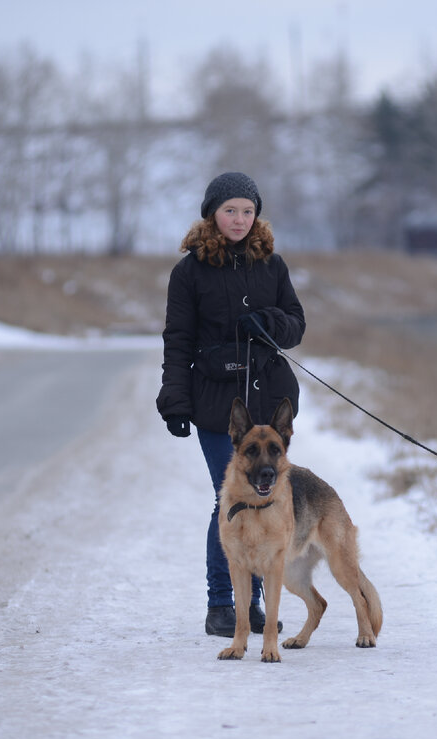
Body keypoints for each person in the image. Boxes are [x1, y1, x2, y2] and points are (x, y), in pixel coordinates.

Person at [156, 172, 306, 637]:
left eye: (247, 210)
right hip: (218, 405)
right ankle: (222, 605)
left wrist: (268, 321)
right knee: (231, 500)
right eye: (230, 211)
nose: (239, 219)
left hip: (270, 399)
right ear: (211, 214)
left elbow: (296, 326)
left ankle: (252, 605)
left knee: (268, 498)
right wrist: (175, 402)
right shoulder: (189, 273)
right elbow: (177, 341)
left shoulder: (272, 266)